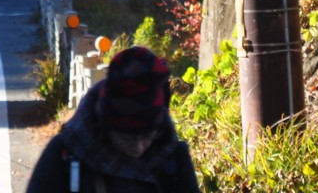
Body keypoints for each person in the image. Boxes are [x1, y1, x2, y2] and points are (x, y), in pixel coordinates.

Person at [26, 46, 202, 193]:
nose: (139, 147)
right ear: (105, 125)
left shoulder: (172, 158)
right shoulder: (66, 154)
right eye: (127, 139)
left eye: (147, 136)